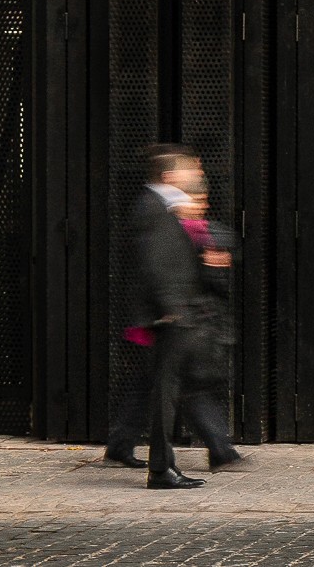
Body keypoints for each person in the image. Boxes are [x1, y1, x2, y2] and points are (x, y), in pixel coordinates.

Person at [126, 143, 207, 489]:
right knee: (164, 392)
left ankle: (162, 466)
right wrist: (171, 308)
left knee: (166, 390)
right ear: (171, 175)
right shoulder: (155, 208)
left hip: (171, 312)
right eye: (190, 170)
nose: (196, 175)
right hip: (168, 316)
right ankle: (161, 469)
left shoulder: (164, 206)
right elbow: (155, 262)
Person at [174, 184, 243, 471]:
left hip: (199, 324)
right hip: (190, 323)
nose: (199, 204)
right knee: (192, 390)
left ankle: (120, 444)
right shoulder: (187, 234)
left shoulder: (207, 233)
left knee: (179, 388)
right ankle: (220, 450)